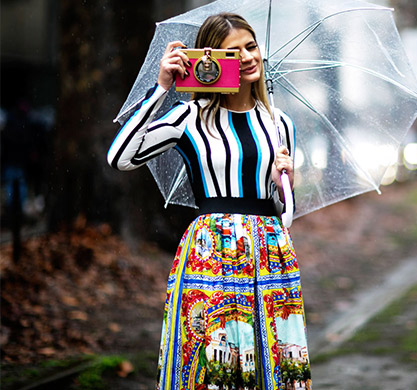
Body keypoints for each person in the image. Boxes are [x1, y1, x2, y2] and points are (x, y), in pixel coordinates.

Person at [107, 13, 311, 390]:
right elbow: (120, 156)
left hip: (269, 255)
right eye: (233, 53)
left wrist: (287, 184)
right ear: (211, 61)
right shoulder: (189, 117)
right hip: (211, 252)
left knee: (274, 363)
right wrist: (161, 88)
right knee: (213, 363)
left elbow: (286, 214)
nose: (248, 57)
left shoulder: (279, 123)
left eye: (251, 46)